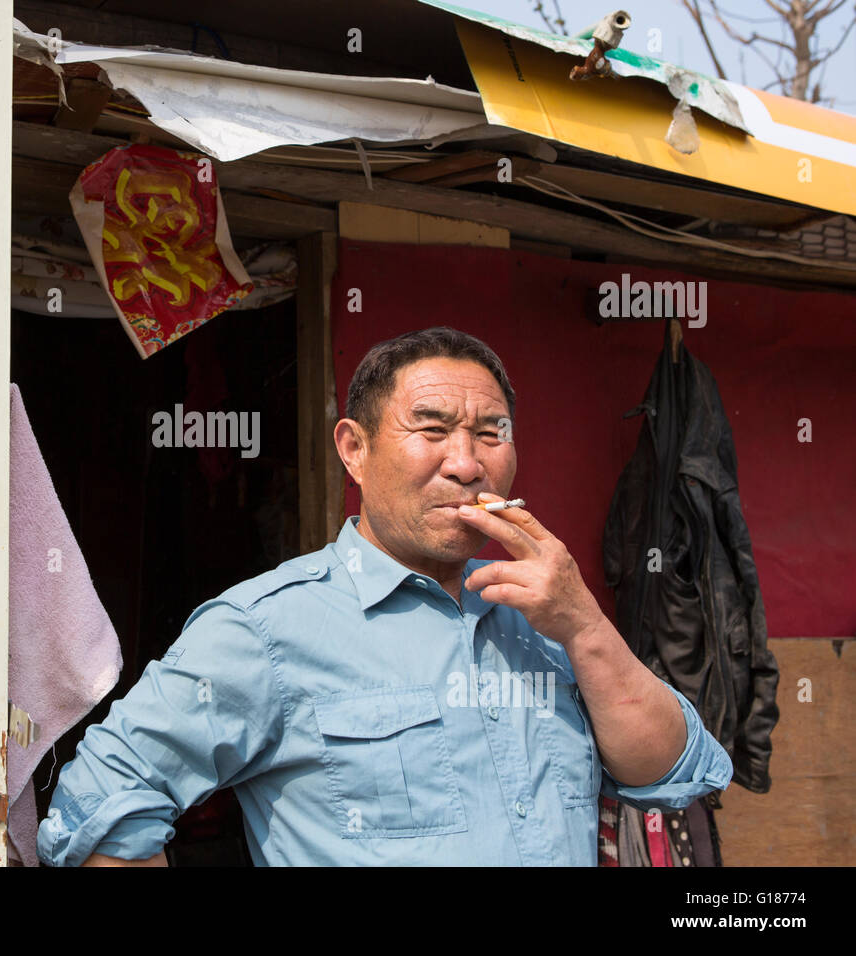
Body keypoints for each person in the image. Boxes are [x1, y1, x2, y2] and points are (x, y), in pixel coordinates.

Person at [37, 326, 731, 866]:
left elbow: (672, 775)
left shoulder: (548, 616)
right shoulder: (267, 629)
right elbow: (100, 801)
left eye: (490, 434)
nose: (465, 463)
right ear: (353, 449)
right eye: (431, 430)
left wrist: (585, 626)